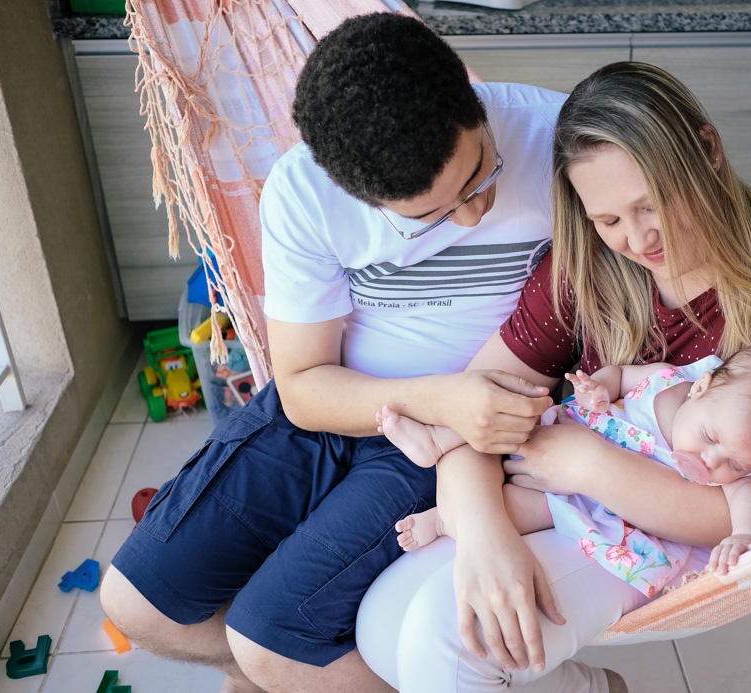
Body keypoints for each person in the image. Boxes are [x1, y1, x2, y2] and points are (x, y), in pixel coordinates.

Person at [355, 60, 751, 693]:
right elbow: (478, 399)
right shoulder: (585, 265)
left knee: (445, 646)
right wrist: (483, 533)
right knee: (380, 626)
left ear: (708, 151)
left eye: (652, 203)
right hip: (559, 505)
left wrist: (586, 465)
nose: (637, 238)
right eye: (609, 220)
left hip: (654, 541)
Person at [99, 12, 568, 693]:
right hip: (342, 402)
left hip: (458, 436)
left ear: (473, 99)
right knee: (136, 606)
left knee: (273, 643)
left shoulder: (557, 137)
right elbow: (304, 387)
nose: (472, 214)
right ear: (350, 188)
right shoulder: (303, 190)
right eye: (432, 215)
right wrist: (438, 395)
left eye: (482, 174)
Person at [380, 342, 751, 586]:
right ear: (702, 387)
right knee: (522, 407)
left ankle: (443, 521)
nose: (711, 461)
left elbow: (750, 498)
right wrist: (599, 390)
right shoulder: (666, 379)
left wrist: (746, 534)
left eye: (734, 464)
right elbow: (618, 374)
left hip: (591, 496)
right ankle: (437, 439)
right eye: (710, 438)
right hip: (564, 427)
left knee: (537, 509)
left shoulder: (743, 468)